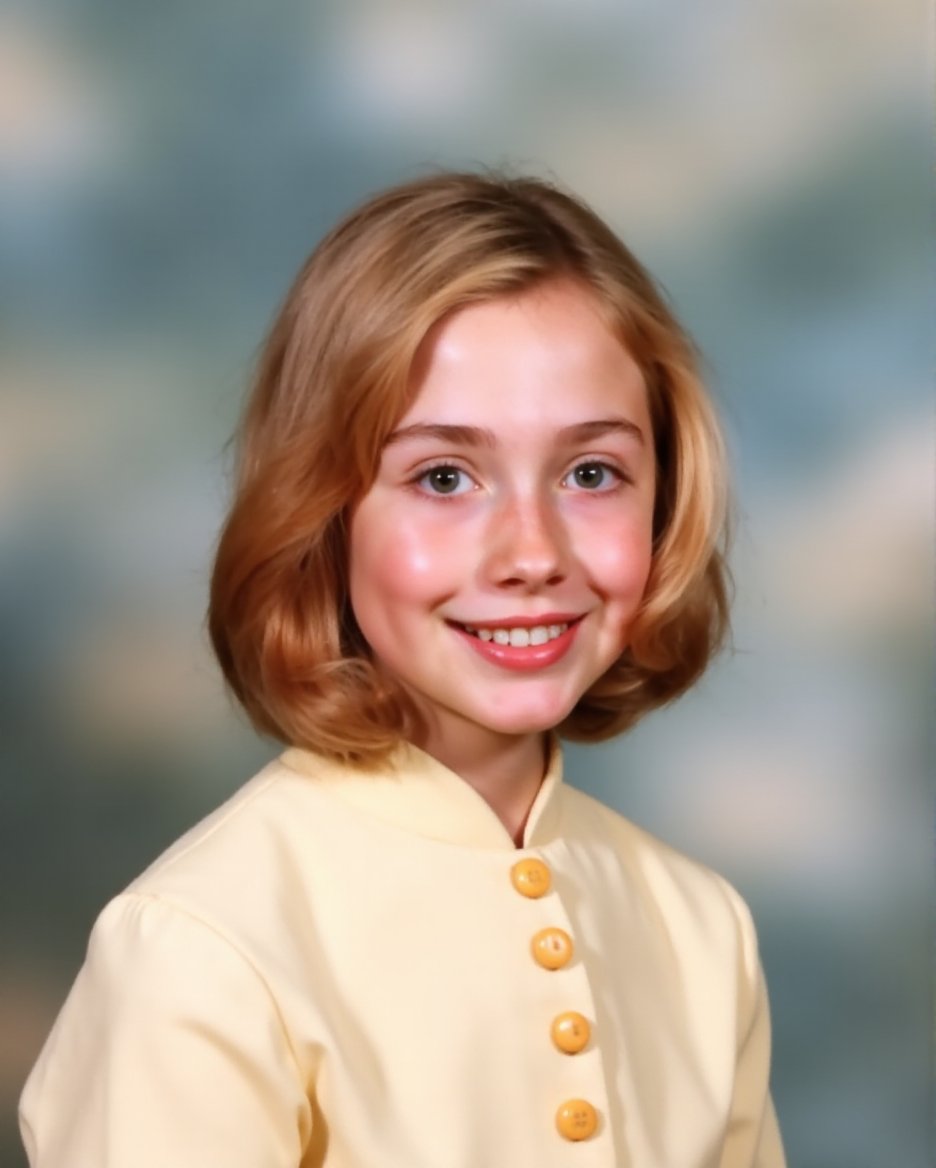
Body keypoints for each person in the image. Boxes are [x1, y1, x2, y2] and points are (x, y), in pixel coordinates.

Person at [19, 171, 786, 1166]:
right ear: (322, 513)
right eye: (444, 477)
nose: (533, 551)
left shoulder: (700, 930)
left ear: (665, 496)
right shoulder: (203, 949)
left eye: (591, 473)